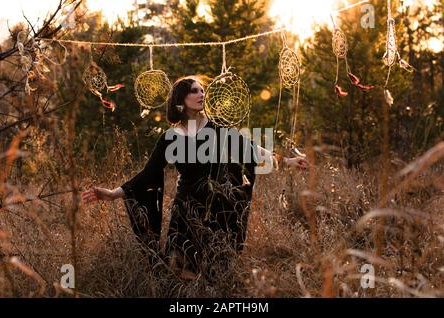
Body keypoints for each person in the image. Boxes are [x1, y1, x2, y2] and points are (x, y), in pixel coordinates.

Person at [82, 76, 309, 278]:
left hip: (219, 208)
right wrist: (113, 194)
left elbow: (249, 148)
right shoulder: (170, 138)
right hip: (187, 210)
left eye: (202, 90)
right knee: (179, 267)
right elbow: (149, 174)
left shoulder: (218, 128)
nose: (201, 94)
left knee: (216, 270)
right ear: (181, 100)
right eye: (194, 90)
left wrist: (286, 161)